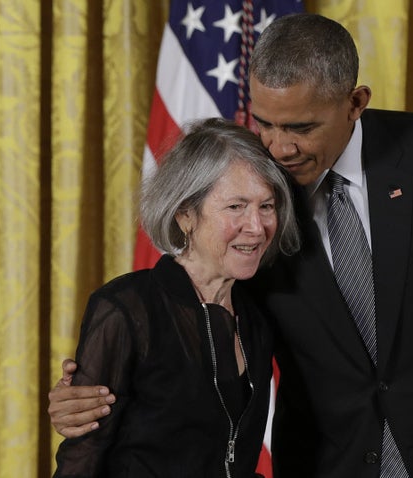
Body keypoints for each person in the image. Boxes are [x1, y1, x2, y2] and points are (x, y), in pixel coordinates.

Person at [49, 13, 413, 478]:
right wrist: (99, 385)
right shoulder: (255, 185)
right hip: (320, 464)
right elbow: (194, 304)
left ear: (355, 102)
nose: (279, 148)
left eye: (301, 128)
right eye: (266, 124)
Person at [51, 117, 300, 477]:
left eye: (266, 206)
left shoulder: (257, 319)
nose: (257, 226)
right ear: (185, 214)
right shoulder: (125, 308)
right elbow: (82, 459)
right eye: (236, 207)